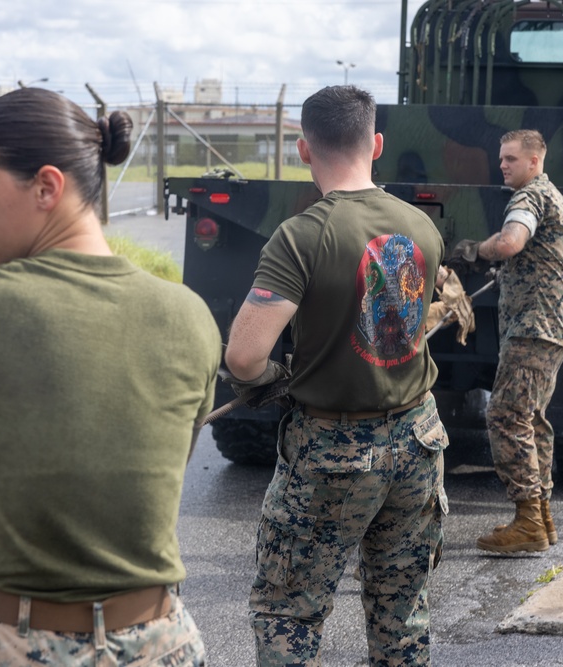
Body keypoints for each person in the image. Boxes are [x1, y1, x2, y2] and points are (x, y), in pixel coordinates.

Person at [0, 88, 220, 666]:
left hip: (13, 643)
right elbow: (158, 461)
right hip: (162, 644)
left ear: (46, 187)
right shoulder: (190, 315)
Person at [223, 85, 448, 666]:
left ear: (303, 149)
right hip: (419, 440)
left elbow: (244, 358)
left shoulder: (301, 236)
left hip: (334, 452)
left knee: (288, 614)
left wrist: (276, 377)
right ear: (376, 144)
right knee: (402, 615)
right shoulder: (421, 226)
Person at [452, 129, 563, 554]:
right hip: (552, 327)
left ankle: (527, 520)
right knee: (531, 418)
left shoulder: (530, 198)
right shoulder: (555, 198)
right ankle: (541, 518)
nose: (502, 165)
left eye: (510, 159)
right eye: (501, 158)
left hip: (534, 327)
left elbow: (510, 242)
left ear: (534, 161)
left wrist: (474, 250)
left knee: (505, 415)